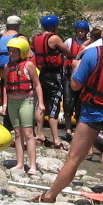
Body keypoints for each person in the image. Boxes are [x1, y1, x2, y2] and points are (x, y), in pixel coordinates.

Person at [29, 15, 103, 205]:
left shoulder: (93, 54)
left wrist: (74, 70)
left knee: (74, 158)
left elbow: (75, 86)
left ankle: (50, 195)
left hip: (92, 111)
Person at [1, 36, 44, 176]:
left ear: (23, 52)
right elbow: (6, 86)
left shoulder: (29, 65)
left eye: (14, 51)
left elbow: (37, 84)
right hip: (13, 102)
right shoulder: (7, 67)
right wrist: (5, 104)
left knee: (28, 132)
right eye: (10, 51)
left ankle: (32, 165)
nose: (11, 54)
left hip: (27, 101)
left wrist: (41, 103)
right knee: (18, 133)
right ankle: (19, 163)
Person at [33, 14, 73, 149]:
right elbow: (68, 52)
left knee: (41, 103)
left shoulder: (36, 38)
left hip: (42, 74)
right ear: (54, 26)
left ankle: (40, 134)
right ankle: (56, 139)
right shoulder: (54, 38)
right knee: (54, 105)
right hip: (54, 74)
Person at [63, 20, 90, 134]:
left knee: (81, 102)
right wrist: (63, 68)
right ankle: (68, 129)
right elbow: (64, 55)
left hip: (83, 76)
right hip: (70, 74)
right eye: (79, 31)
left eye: (82, 31)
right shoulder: (70, 41)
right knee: (68, 101)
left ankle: (78, 128)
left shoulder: (90, 44)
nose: (80, 33)